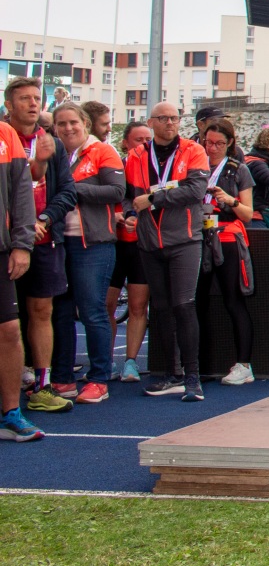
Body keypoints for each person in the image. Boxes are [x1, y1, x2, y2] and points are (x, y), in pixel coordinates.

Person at [124, 100, 212, 401]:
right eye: (163, 118)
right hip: (150, 243)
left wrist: (153, 198)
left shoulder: (193, 150)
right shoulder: (136, 155)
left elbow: (195, 191)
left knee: (184, 305)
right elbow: (128, 195)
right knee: (161, 308)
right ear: (151, 123)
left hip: (184, 240)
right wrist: (129, 213)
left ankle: (192, 377)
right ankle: (172, 374)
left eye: (174, 117)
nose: (170, 123)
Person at [39, 102, 124, 404]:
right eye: (61, 124)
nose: (68, 128)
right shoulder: (54, 154)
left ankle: (99, 378)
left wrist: (72, 189)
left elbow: (117, 191)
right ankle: (63, 378)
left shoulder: (103, 151)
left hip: (94, 244)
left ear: (85, 123)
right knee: (61, 313)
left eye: (73, 122)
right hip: (59, 242)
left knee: (92, 311)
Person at [7, 78, 71, 411]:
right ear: (9, 105)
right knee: (7, 317)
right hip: (7, 241)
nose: (33, 104)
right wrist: (21, 225)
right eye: (25, 99)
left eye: (37, 98)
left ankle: (42, 385)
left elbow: (67, 192)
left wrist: (44, 219)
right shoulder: (4, 139)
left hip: (45, 240)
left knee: (42, 310)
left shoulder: (53, 143)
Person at [196, 118, 257, 386]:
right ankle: (194, 363)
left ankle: (243, 364)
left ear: (230, 143)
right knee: (195, 302)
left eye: (219, 143)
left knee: (233, 300)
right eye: (208, 142)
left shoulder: (238, 169)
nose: (212, 148)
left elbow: (247, 214)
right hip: (195, 236)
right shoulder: (193, 165)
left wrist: (229, 200)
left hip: (227, 238)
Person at [0, 117, 44, 439]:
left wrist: (22, 244)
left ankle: (11, 413)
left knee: (9, 331)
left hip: (1, 249)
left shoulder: (6, 135)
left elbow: (21, 194)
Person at [107, 120, 153, 381]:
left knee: (138, 306)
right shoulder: (115, 166)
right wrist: (121, 215)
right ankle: (105, 361)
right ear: (125, 143)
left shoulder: (155, 169)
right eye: (139, 140)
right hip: (114, 244)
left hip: (140, 245)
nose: (145, 144)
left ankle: (131, 362)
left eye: (148, 140)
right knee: (107, 305)